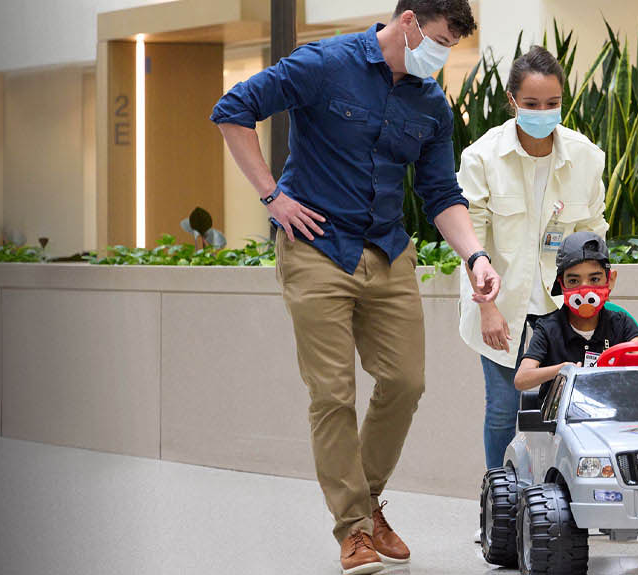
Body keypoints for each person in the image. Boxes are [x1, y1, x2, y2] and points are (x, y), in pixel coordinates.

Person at [209, 2, 498, 573]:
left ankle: (364, 503)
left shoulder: (430, 102)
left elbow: (441, 194)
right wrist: (272, 196)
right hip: (316, 245)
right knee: (333, 393)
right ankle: (354, 529)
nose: (441, 55)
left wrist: (476, 256)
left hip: (388, 249)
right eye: (439, 39)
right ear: (409, 21)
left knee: (406, 382)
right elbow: (233, 109)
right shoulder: (325, 62)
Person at [454, 45, 609, 470]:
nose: (543, 112)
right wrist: (486, 308)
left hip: (565, 306)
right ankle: (498, 503)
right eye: (532, 104)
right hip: (499, 305)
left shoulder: (586, 157)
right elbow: (472, 234)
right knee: (504, 410)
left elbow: (594, 230)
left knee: (565, 411)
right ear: (512, 102)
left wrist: (595, 296)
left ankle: (555, 507)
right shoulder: (482, 157)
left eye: (553, 103)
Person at [513, 232, 638, 392]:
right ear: (561, 284)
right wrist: (562, 369)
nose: (585, 289)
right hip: (562, 413)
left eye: (594, 279)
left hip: (610, 411)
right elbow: (521, 379)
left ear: (611, 280)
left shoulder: (620, 321)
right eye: (573, 281)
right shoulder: (548, 327)